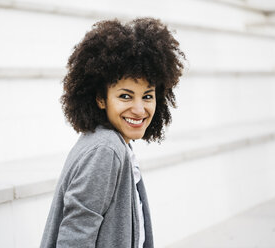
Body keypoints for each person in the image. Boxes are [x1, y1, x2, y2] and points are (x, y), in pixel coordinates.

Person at [40, 17, 185, 248]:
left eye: (147, 96)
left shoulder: (111, 143)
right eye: (125, 96)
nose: (139, 109)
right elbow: (75, 236)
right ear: (100, 98)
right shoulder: (106, 149)